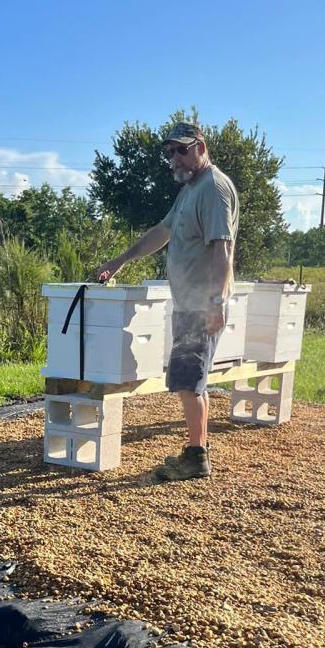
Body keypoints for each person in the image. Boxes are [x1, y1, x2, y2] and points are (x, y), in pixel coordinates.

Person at [96, 121, 239, 482]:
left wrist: (216, 301)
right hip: (189, 302)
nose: (175, 158)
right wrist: (121, 260)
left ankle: (196, 457)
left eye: (182, 150)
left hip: (201, 304)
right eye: (169, 152)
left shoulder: (213, 189)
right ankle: (196, 452)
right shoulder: (190, 190)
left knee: (189, 382)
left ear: (201, 148)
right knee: (190, 381)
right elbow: (162, 232)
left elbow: (223, 248)